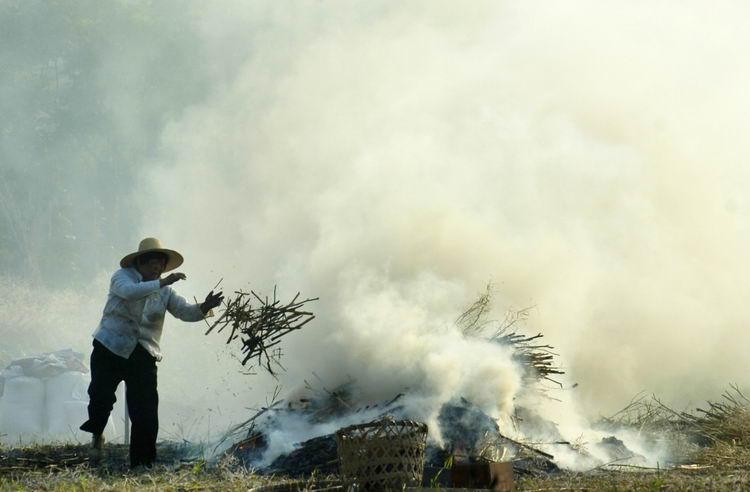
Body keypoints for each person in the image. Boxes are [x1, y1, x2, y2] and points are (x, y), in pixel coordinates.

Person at [79, 237, 223, 468]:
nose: (157, 269)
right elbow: (129, 293)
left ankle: (142, 463)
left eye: (160, 265)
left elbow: (185, 312)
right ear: (140, 264)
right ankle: (97, 435)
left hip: (144, 352)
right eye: (153, 264)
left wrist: (205, 306)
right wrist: (163, 282)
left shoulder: (165, 291)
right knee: (100, 397)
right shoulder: (123, 277)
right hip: (110, 347)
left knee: (145, 408)